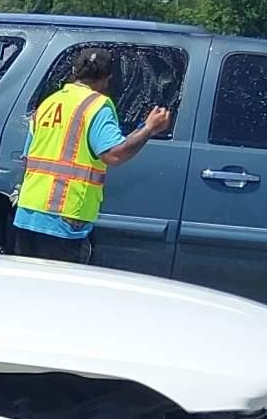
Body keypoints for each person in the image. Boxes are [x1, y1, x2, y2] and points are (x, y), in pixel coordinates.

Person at [13, 48, 171, 263]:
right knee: (64, 291)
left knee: (30, 288)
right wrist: (149, 129)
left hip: (28, 212)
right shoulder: (97, 105)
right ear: (107, 79)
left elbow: (28, 158)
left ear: (74, 70)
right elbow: (114, 154)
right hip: (65, 215)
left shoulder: (49, 103)